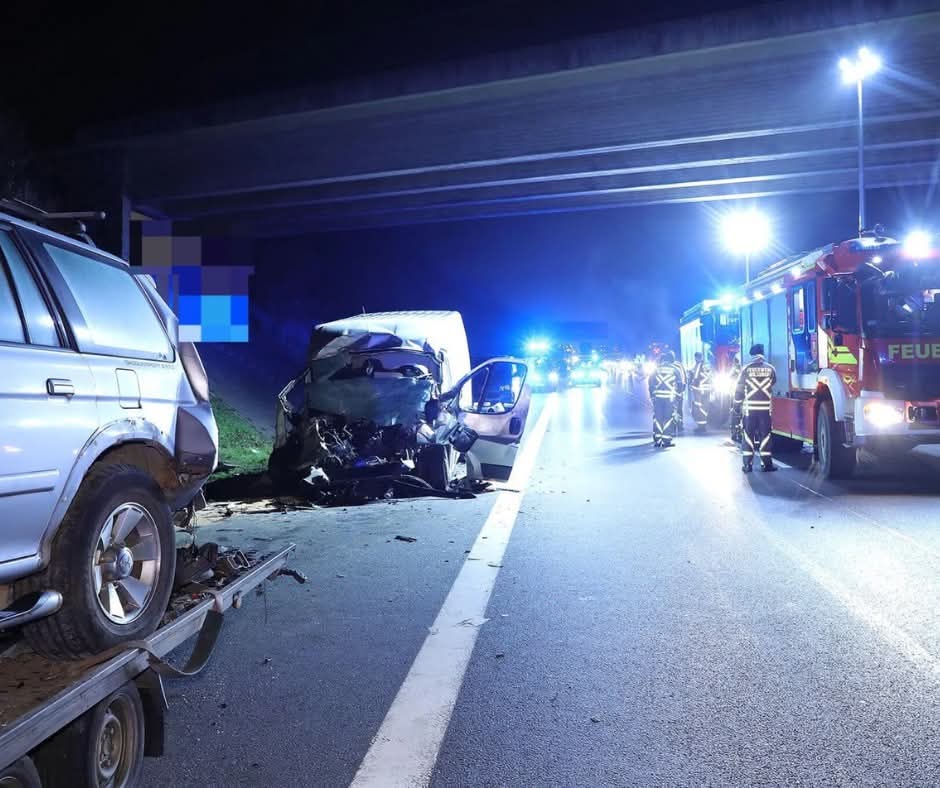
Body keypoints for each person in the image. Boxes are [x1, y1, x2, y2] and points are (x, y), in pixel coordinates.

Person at [734, 343, 777, 472]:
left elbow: (739, 390)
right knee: (766, 436)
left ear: (751, 355)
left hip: (749, 410)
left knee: (748, 436)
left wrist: (736, 406)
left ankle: (748, 465)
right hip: (765, 410)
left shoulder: (745, 369)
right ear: (762, 354)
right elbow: (773, 382)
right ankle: (767, 464)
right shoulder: (770, 369)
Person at [649, 350, 684, 448]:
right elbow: (680, 384)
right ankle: (666, 440)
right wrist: (678, 396)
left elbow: (651, 383)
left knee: (658, 418)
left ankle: (657, 440)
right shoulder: (675, 370)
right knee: (668, 419)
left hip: (658, 398)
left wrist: (652, 396)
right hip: (669, 398)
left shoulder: (656, 369)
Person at [688, 351, 712, 433]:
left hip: (699, 390)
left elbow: (695, 377)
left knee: (699, 407)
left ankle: (701, 426)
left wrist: (692, 385)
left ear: (696, 357)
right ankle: (703, 425)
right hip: (707, 389)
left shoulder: (698, 365)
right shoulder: (708, 365)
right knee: (705, 407)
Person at [671, 354, 687, 434]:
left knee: (672, 410)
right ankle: (680, 426)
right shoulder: (679, 365)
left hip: (671, 393)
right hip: (679, 391)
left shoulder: (670, 367)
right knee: (679, 409)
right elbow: (684, 378)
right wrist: (682, 390)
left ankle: (673, 427)